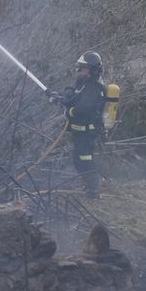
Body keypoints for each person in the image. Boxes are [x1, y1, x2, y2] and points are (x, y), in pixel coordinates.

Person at [50, 52, 107, 198]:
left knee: (86, 161)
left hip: (87, 133)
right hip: (79, 132)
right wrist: (60, 98)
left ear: (93, 69)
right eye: (80, 68)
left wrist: (68, 113)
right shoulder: (83, 82)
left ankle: (93, 191)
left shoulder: (95, 86)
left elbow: (84, 108)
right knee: (78, 160)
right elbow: (74, 98)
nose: (81, 71)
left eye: (84, 68)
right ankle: (88, 186)